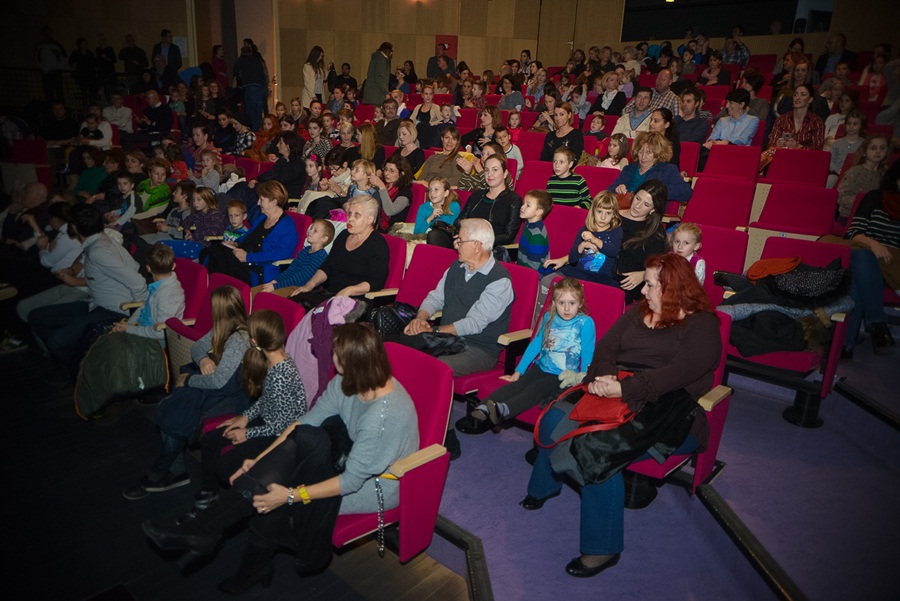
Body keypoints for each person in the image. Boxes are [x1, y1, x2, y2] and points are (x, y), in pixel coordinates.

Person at [142, 322, 418, 593]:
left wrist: (290, 496)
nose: (332, 357)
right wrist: (260, 459)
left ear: (354, 362)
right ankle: (210, 535)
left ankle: (239, 556)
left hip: (373, 487)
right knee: (300, 443)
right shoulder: (347, 383)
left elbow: (350, 483)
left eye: (336, 353)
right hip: (345, 457)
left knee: (274, 498)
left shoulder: (382, 418)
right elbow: (303, 423)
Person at [522, 253, 720, 578]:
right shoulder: (639, 311)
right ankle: (545, 486)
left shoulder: (702, 324)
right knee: (553, 419)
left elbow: (679, 373)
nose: (643, 290)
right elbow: (606, 348)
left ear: (672, 289)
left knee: (597, 454)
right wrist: (606, 376)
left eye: (651, 285)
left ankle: (602, 548)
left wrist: (623, 389)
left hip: (665, 407)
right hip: (615, 387)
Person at [124, 285, 250, 500]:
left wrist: (190, 380)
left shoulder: (239, 338)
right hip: (216, 388)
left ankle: (161, 473)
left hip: (233, 397)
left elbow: (220, 382)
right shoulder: (223, 326)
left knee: (179, 414)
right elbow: (197, 347)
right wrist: (203, 360)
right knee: (175, 407)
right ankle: (176, 470)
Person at [184, 309, 308, 520]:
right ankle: (207, 496)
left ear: (253, 341)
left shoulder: (282, 373)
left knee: (224, 467)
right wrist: (245, 417)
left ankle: (224, 510)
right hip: (267, 422)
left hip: (278, 434)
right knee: (211, 440)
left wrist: (247, 433)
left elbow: (283, 426)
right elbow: (266, 399)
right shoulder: (274, 360)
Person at [457, 277, 595, 434]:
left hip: (562, 376)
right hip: (540, 368)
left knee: (536, 388)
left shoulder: (585, 323)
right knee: (517, 385)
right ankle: (483, 406)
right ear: (554, 303)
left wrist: (582, 379)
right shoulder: (549, 317)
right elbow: (536, 344)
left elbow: (587, 352)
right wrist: (518, 371)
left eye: (572, 303)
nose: (566, 308)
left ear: (580, 303)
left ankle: (504, 410)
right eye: (561, 303)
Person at [28, 204, 147, 370]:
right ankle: (75, 360)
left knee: (57, 342)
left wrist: (136, 317)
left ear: (74, 227)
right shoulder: (98, 241)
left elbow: (138, 282)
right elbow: (129, 267)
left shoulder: (99, 250)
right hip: (96, 304)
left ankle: (80, 372)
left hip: (114, 311)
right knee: (37, 317)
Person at [837, 161, 899, 355]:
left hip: (892, 266)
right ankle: (878, 324)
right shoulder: (875, 197)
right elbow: (854, 232)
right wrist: (874, 244)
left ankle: (844, 344)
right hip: (865, 253)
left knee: (859, 275)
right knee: (863, 258)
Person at [289, 196, 390, 309]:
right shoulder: (343, 235)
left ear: (370, 219)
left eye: (357, 215)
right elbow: (327, 266)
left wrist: (348, 290)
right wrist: (310, 285)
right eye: (349, 213)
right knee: (294, 302)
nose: (350, 219)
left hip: (355, 301)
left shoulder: (378, 245)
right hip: (329, 293)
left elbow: (376, 282)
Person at [202, 180, 299, 286]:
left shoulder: (287, 226)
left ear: (274, 202)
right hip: (244, 259)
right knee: (212, 251)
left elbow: (278, 255)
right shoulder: (262, 218)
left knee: (217, 260)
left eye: (261, 200)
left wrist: (248, 257)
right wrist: (236, 243)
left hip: (258, 268)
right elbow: (248, 236)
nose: (258, 203)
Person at [544, 191, 623, 288]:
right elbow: (572, 259)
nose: (603, 217)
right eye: (599, 212)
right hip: (576, 273)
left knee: (613, 290)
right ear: (593, 211)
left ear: (614, 214)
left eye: (608, 213)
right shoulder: (585, 229)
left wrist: (595, 240)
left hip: (600, 278)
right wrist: (582, 246)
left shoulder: (616, 231)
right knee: (546, 281)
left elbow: (613, 251)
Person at [612, 180, 669, 303]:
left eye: (646, 205)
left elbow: (661, 265)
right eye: (637, 199)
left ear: (653, 209)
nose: (637, 206)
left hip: (630, 285)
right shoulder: (613, 216)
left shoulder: (656, 232)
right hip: (601, 273)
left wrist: (643, 275)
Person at [254, 219, 334, 297]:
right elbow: (291, 269)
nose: (310, 231)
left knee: (261, 296)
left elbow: (301, 278)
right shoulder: (305, 250)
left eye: (315, 231)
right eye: (311, 228)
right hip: (286, 284)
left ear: (324, 238)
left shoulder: (320, 256)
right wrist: (275, 281)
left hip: (297, 288)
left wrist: (276, 286)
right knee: (253, 292)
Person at [608, 132, 693, 202]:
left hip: (650, 214)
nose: (643, 157)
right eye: (640, 152)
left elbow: (686, 192)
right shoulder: (629, 169)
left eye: (648, 153)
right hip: (625, 210)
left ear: (658, 154)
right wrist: (617, 189)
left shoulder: (667, 170)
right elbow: (609, 191)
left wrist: (659, 190)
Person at [698, 89, 760, 171]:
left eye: (731, 103)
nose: (727, 106)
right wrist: (711, 141)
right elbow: (713, 136)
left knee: (706, 157)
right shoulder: (722, 120)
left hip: (739, 153)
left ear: (742, 104)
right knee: (701, 152)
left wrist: (727, 142)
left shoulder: (752, 120)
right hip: (718, 150)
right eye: (727, 102)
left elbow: (744, 139)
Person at [837, 133, 890, 219]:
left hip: (871, 218)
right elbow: (841, 195)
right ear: (864, 152)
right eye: (873, 148)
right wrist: (863, 204)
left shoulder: (883, 174)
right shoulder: (856, 171)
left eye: (882, 148)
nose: (878, 151)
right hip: (850, 217)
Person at [766, 84, 826, 152]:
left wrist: (798, 147)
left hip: (805, 158)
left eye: (803, 95)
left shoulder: (816, 121)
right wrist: (777, 145)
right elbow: (770, 145)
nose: (797, 97)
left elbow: (817, 149)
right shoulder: (782, 119)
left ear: (810, 100)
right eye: (795, 94)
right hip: (783, 155)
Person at [516, 189, 553, 274]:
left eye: (528, 205)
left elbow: (533, 267)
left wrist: (518, 271)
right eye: (523, 203)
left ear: (539, 212)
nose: (522, 207)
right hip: (523, 268)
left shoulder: (537, 236)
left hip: (536, 275)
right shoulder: (528, 223)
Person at [372, 154, 413, 228]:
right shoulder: (384, 185)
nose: (386, 173)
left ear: (402, 173)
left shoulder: (405, 192)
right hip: (375, 225)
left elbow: (390, 211)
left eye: (391, 171)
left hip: (392, 229)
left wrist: (382, 187)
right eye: (385, 169)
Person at [233, 45, 269, 132]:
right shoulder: (257, 60)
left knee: (251, 110)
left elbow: (235, 70)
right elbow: (263, 74)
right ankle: (259, 129)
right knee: (258, 110)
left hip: (249, 86)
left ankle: (254, 130)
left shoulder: (242, 60)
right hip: (260, 86)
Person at [827, 110, 865, 188]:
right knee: (830, 180)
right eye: (848, 123)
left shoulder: (864, 144)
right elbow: (830, 160)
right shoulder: (837, 143)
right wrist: (837, 170)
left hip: (856, 174)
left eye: (855, 124)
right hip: (837, 173)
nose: (851, 126)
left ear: (861, 126)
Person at [364, 42, 392, 106]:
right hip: (377, 95)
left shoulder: (376, 58)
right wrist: (386, 92)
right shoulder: (381, 60)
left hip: (371, 94)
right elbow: (379, 78)